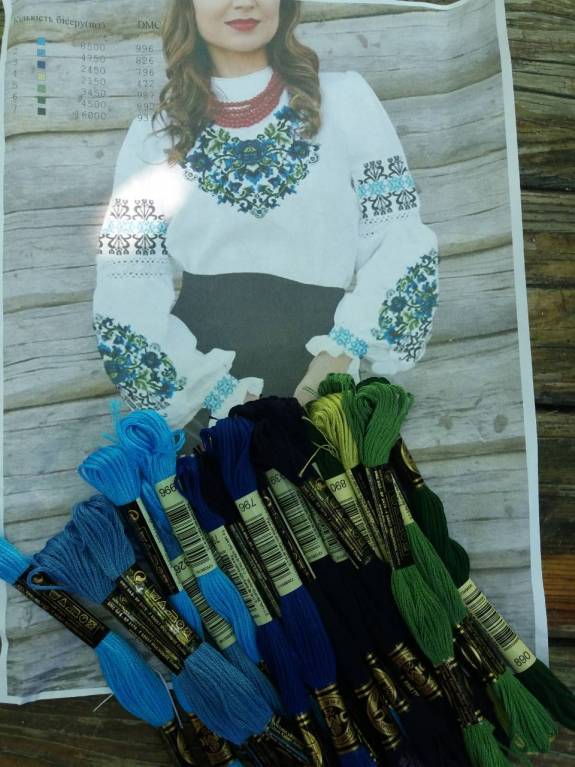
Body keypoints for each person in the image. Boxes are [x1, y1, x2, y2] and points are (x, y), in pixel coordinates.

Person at [94, 0, 439, 432]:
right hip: (211, 400)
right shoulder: (154, 137)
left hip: (328, 381)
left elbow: (398, 237)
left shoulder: (345, 101)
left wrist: (336, 359)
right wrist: (221, 395)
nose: (244, 2)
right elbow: (126, 282)